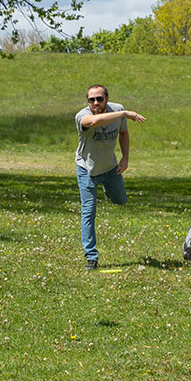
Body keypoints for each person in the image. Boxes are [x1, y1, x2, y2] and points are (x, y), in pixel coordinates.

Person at [75, 84, 146, 270]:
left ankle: (109, 190)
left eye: (99, 99)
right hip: (87, 170)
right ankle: (91, 257)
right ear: (87, 101)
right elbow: (93, 122)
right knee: (88, 212)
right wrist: (123, 115)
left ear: (107, 99)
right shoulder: (82, 116)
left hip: (110, 167)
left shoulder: (118, 109)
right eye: (91, 100)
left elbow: (123, 132)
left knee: (121, 200)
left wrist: (125, 158)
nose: (95, 103)